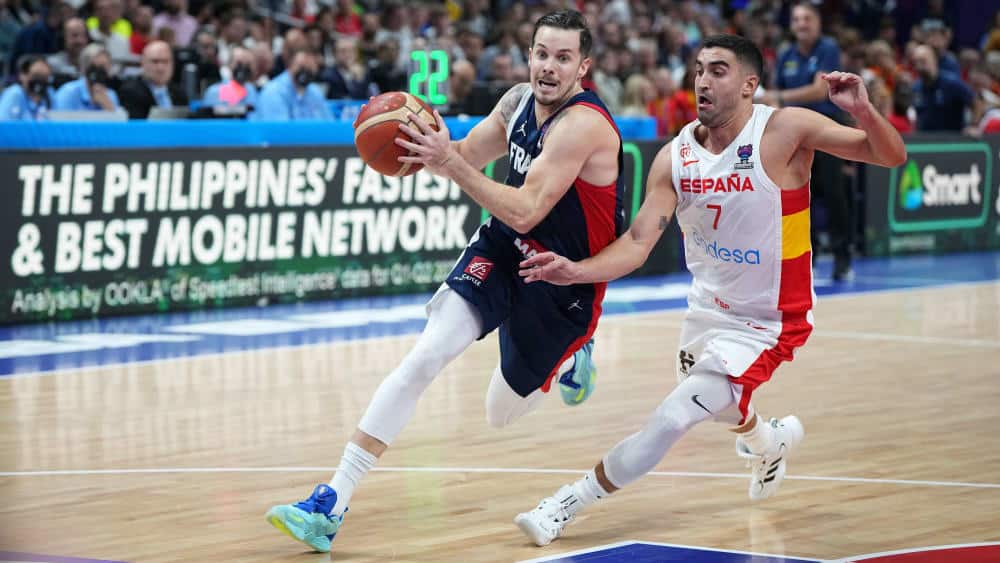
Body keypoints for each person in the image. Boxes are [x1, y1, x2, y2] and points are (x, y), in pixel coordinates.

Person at [512, 33, 905, 547]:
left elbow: (890, 156)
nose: (702, 80)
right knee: (720, 405)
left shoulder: (784, 130)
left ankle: (565, 505)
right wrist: (575, 270)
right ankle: (769, 439)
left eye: (718, 71)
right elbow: (637, 243)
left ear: (748, 85)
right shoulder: (675, 157)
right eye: (699, 69)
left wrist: (864, 111)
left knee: (674, 415)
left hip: (769, 321)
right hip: (706, 311)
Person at [265, 9, 624, 553]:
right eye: (541, 54)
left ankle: (573, 357)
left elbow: (526, 208)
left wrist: (449, 164)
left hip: (560, 279)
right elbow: (464, 156)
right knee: (425, 356)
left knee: (500, 412)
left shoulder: (583, 125)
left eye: (563, 57)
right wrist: (418, 143)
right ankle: (331, 502)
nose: (548, 67)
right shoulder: (516, 102)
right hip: (503, 248)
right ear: (529, 55)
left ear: (583, 67)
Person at [764, 1, 853, 281]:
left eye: (807, 19)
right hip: (794, 136)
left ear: (818, 23)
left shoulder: (827, 48)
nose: (802, 24)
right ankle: (807, 259)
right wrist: (775, 102)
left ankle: (842, 257)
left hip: (826, 131)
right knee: (799, 195)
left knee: (834, 194)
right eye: (797, 19)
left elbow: (819, 90)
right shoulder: (786, 55)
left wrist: (781, 98)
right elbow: (774, 93)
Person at [252, 49, 331, 120]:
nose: (305, 72)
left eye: (310, 68)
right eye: (301, 67)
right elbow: (279, 129)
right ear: (290, 66)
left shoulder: (315, 91)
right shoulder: (273, 91)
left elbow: (328, 123)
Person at [117, 40, 187, 118]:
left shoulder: (179, 92)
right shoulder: (130, 91)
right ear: (143, 63)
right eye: (155, 61)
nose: (160, 68)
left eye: (165, 61)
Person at [52, 43, 121, 112]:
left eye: (104, 67)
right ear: (84, 68)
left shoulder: (111, 95)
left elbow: (118, 118)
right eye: (96, 67)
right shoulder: (68, 92)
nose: (101, 73)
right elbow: (60, 118)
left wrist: (108, 106)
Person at [0, 54, 55, 120]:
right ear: (22, 75)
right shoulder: (15, 93)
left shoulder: (49, 93)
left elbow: (58, 119)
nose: (40, 80)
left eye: (44, 77)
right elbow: (5, 123)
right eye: (36, 76)